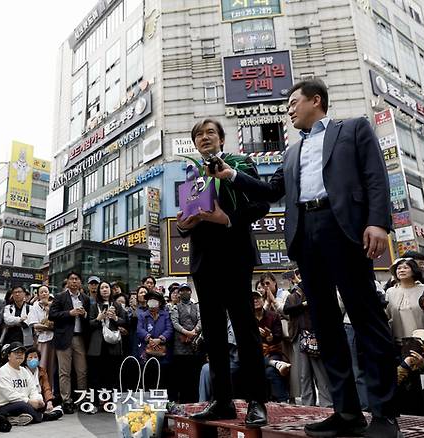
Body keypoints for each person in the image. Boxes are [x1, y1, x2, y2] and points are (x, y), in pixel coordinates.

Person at [219, 79, 398, 437]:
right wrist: (232, 175)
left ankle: (383, 414)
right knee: (326, 327)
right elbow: (271, 191)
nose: (288, 109)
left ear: (316, 100)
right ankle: (346, 413)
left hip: (344, 226)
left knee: (366, 319)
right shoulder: (291, 152)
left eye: (292, 101)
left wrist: (378, 221)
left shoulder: (353, 128)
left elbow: (376, 177)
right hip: (306, 233)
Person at [177, 118, 269, 425]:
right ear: (194, 143)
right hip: (204, 262)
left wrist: (226, 219)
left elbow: (261, 205)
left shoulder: (240, 164)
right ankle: (221, 401)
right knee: (213, 334)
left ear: (221, 140)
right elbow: (189, 218)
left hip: (235, 257)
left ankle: (257, 401)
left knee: (244, 329)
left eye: (210, 133)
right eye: (199, 135)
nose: (204, 138)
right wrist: (182, 225)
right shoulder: (191, 175)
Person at [284, 281, 333, 407]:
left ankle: (326, 403)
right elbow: (286, 309)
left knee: (320, 372)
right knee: (304, 374)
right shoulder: (291, 297)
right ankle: (307, 404)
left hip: (314, 336)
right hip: (298, 336)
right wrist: (303, 305)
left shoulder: (315, 294)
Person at [49, 271, 90, 414]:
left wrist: (84, 314)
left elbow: (89, 318)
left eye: (76, 279)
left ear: (80, 282)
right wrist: (69, 313)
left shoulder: (85, 298)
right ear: (67, 282)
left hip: (80, 337)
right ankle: (66, 400)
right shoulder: (60, 297)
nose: (74, 281)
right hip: (63, 338)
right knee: (64, 371)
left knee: (82, 370)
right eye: (71, 279)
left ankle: (82, 399)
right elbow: (52, 315)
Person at [87, 280, 127, 408]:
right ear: (99, 291)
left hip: (113, 346)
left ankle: (111, 403)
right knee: (95, 376)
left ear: (110, 290)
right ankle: (94, 403)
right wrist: (99, 319)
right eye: (102, 287)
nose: (104, 289)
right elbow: (88, 325)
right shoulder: (93, 305)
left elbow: (124, 322)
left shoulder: (117, 305)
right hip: (97, 346)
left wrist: (114, 318)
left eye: (107, 287)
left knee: (113, 376)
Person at [0, 342, 45, 426]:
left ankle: (15, 418)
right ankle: (43, 416)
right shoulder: (3, 371)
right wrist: (29, 401)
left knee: (41, 403)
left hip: (19, 402)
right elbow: (10, 395)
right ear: (9, 356)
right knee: (23, 406)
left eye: (22, 353)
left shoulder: (24, 370)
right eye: (16, 352)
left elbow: (33, 389)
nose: (20, 355)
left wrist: (37, 400)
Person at [253, 291, 291, 403]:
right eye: (252, 299)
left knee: (270, 371)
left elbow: (278, 337)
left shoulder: (273, 316)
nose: (255, 300)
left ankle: (283, 401)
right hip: (255, 354)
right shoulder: (247, 319)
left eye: (257, 298)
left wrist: (270, 337)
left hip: (272, 352)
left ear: (263, 300)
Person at [169, 284, 202, 403]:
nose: (185, 293)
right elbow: (174, 322)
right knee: (182, 375)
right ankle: (183, 401)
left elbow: (200, 320)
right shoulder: (175, 307)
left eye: (187, 290)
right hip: (180, 345)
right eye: (182, 291)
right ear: (179, 293)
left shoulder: (196, 306)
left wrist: (194, 331)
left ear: (190, 292)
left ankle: (194, 400)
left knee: (194, 374)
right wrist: (186, 332)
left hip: (195, 344)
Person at [385, 258, 424, 346]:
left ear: (414, 270)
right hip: (399, 342)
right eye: (399, 268)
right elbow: (387, 316)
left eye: (405, 267)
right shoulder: (390, 292)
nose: (401, 270)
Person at [136, 290, 173, 390]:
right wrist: (150, 339)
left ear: (160, 302)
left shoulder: (165, 314)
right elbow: (139, 330)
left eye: (155, 300)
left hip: (163, 352)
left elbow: (169, 329)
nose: (152, 302)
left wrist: (160, 339)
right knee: (148, 378)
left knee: (163, 378)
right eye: (150, 300)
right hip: (147, 351)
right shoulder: (142, 315)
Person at [26, 285, 55, 392]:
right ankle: (38, 391)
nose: (44, 294)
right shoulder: (34, 307)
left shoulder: (54, 306)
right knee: (41, 366)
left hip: (53, 340)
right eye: (41, 292)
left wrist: (46, 326)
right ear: (38, 295)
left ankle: (50, 392)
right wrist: (49, 327)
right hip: (41, 340)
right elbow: (35, 326)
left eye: (46, 292)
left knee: (52, 367)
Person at [23, 347, 63, 421]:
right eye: (30, 357)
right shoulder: (22, 371)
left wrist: (49, 402)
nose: (33, 359)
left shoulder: (42, 371)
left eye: (35, 357)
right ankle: (43, 415)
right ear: (25, 360)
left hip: (40, 398)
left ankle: (47, 411)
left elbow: (46, 387)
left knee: (58, 399)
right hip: (28, 398)